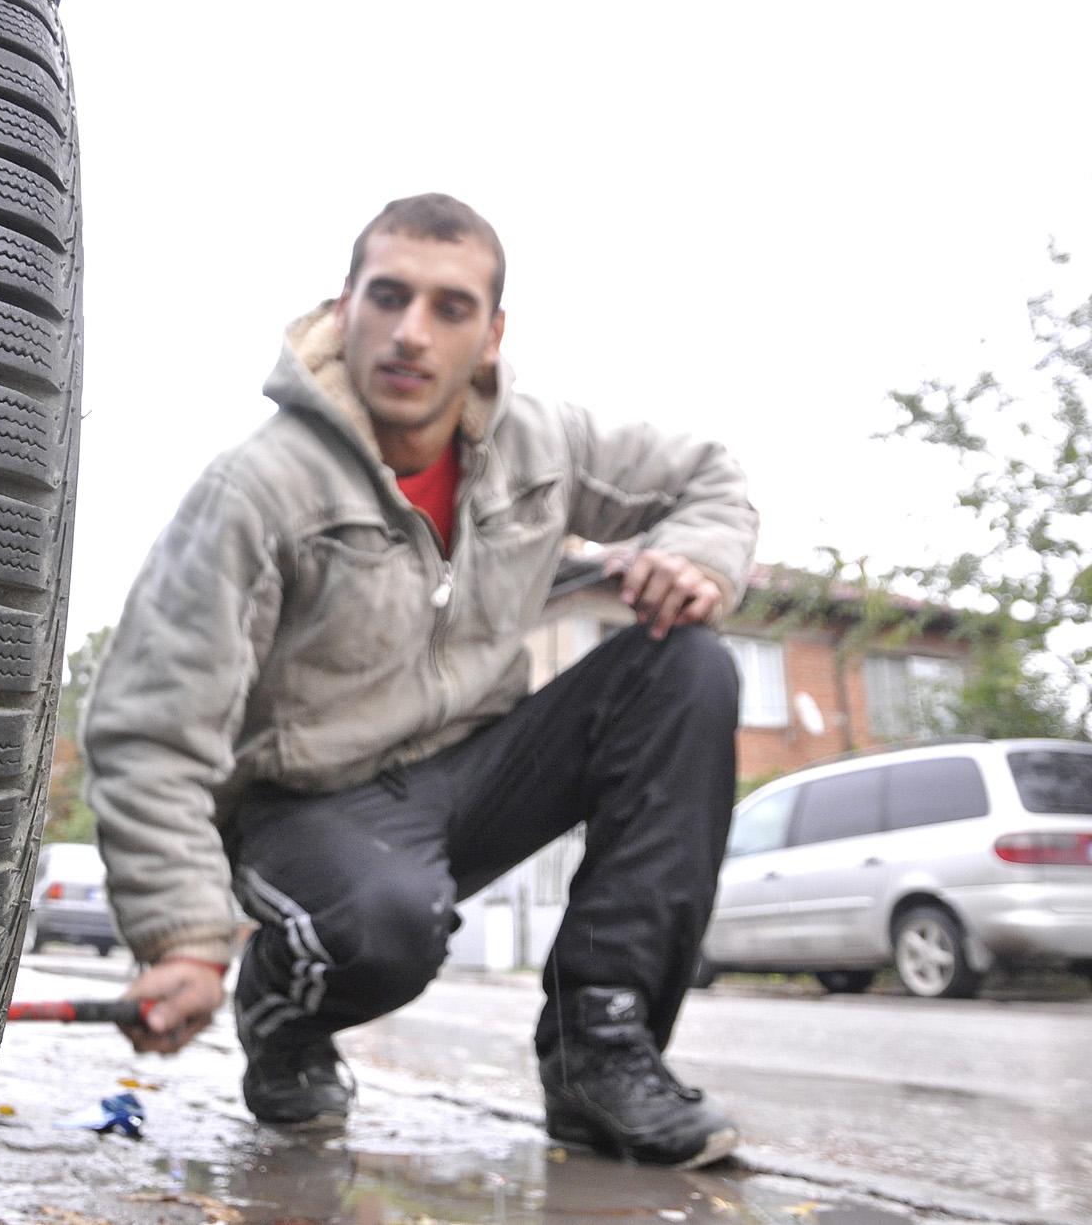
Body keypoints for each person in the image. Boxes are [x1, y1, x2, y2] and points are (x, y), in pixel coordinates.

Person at [80, 193, 758, 1169]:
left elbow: (710, 476)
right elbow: (149, 727)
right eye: (388, 296)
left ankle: (598, 1052)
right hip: (305, 802)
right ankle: (283, 1018)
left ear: (489, 333)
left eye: (448, 307)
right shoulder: (258, 489)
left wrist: (696, 556)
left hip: (473, 763)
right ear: (343, 304)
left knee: (685, 664)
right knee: (377, 924)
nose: (410, 332)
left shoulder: (540, 440)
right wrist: (183, 933)